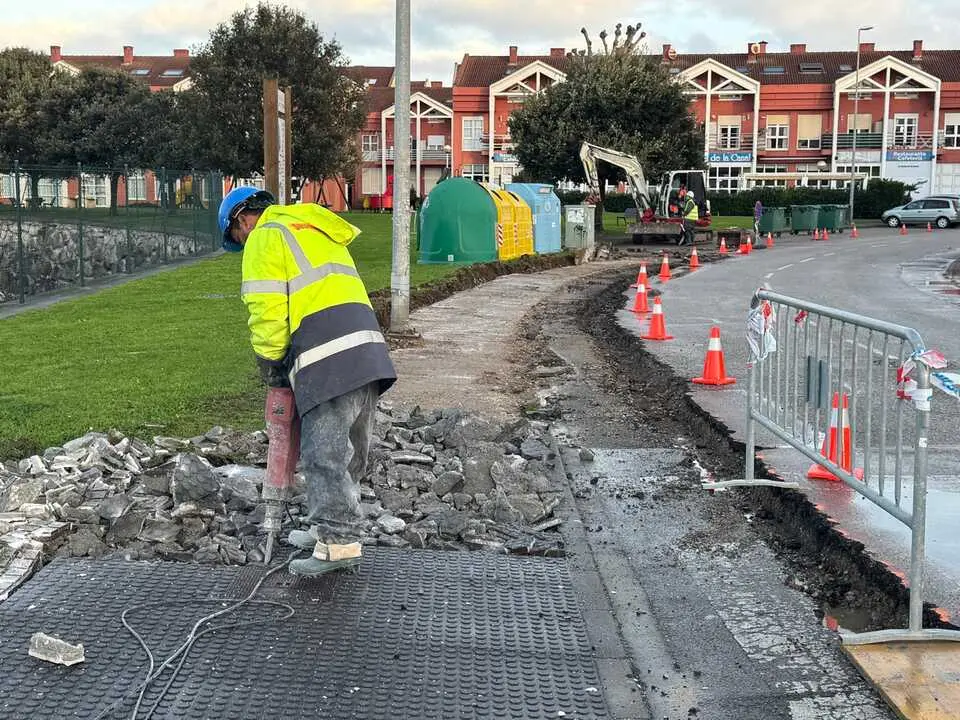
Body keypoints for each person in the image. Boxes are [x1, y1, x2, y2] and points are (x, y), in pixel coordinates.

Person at [218, 186, 397, 577]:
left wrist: (270, 361)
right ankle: (330, 526)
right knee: (350, 450)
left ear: (242, 219)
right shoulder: (312, 228)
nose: (242, 243)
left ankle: (338, 543)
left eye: (237, 237)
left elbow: (267, 309)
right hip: (366, 350)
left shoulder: (266, 235)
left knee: (323, 454)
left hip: (327, 354)